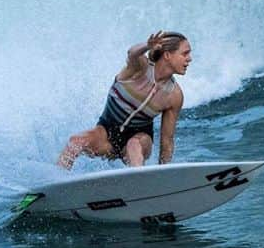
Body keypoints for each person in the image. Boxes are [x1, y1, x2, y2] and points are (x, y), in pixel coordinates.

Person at [58, 31, 191, 169]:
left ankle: (138, 184)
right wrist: (147, 45)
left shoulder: (174, 95)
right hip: (106, 134)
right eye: (185, 53)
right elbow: (132, 53)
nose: (189, 59)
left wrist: (164, 174)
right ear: (168, 55)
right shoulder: (140, 67)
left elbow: (167, 141)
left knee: (133, 146)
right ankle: (55, 183)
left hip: (140, 138)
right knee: (75, 142)